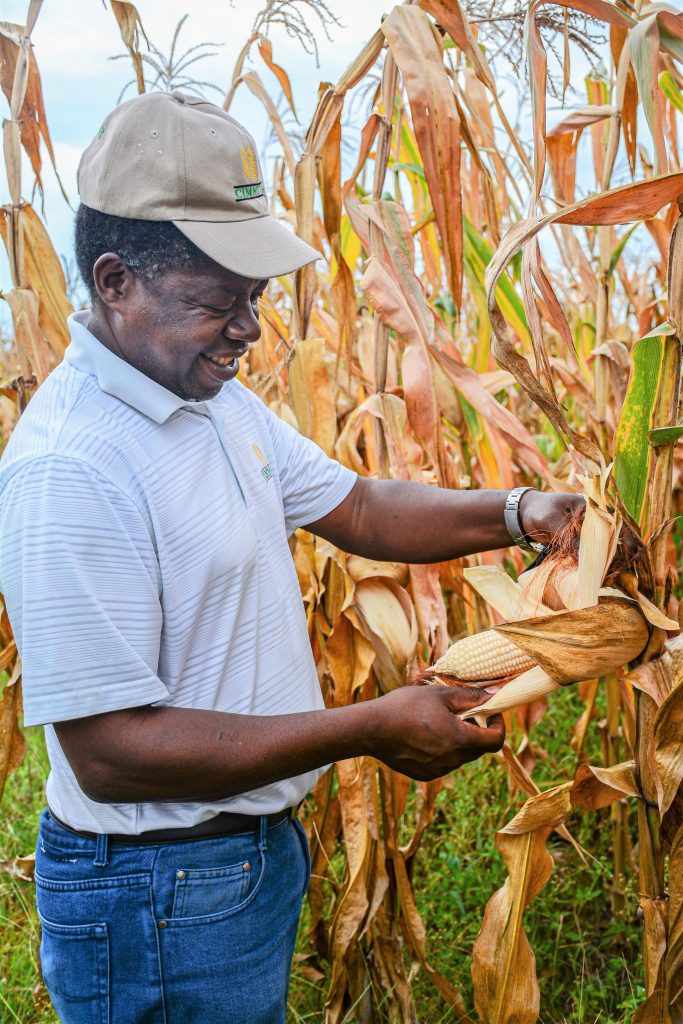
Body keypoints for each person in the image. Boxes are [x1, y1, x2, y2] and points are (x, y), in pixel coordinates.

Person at [0, 91, 581, 1024]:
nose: (248, 330)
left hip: (238, 861)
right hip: (156, 896)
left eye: (254, 300)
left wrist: (520, 511)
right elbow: (109, 753)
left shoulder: (205, 395)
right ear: (115, 280)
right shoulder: (72, 468)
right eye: (217, 303)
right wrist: (367, 727)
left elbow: (356, 505)